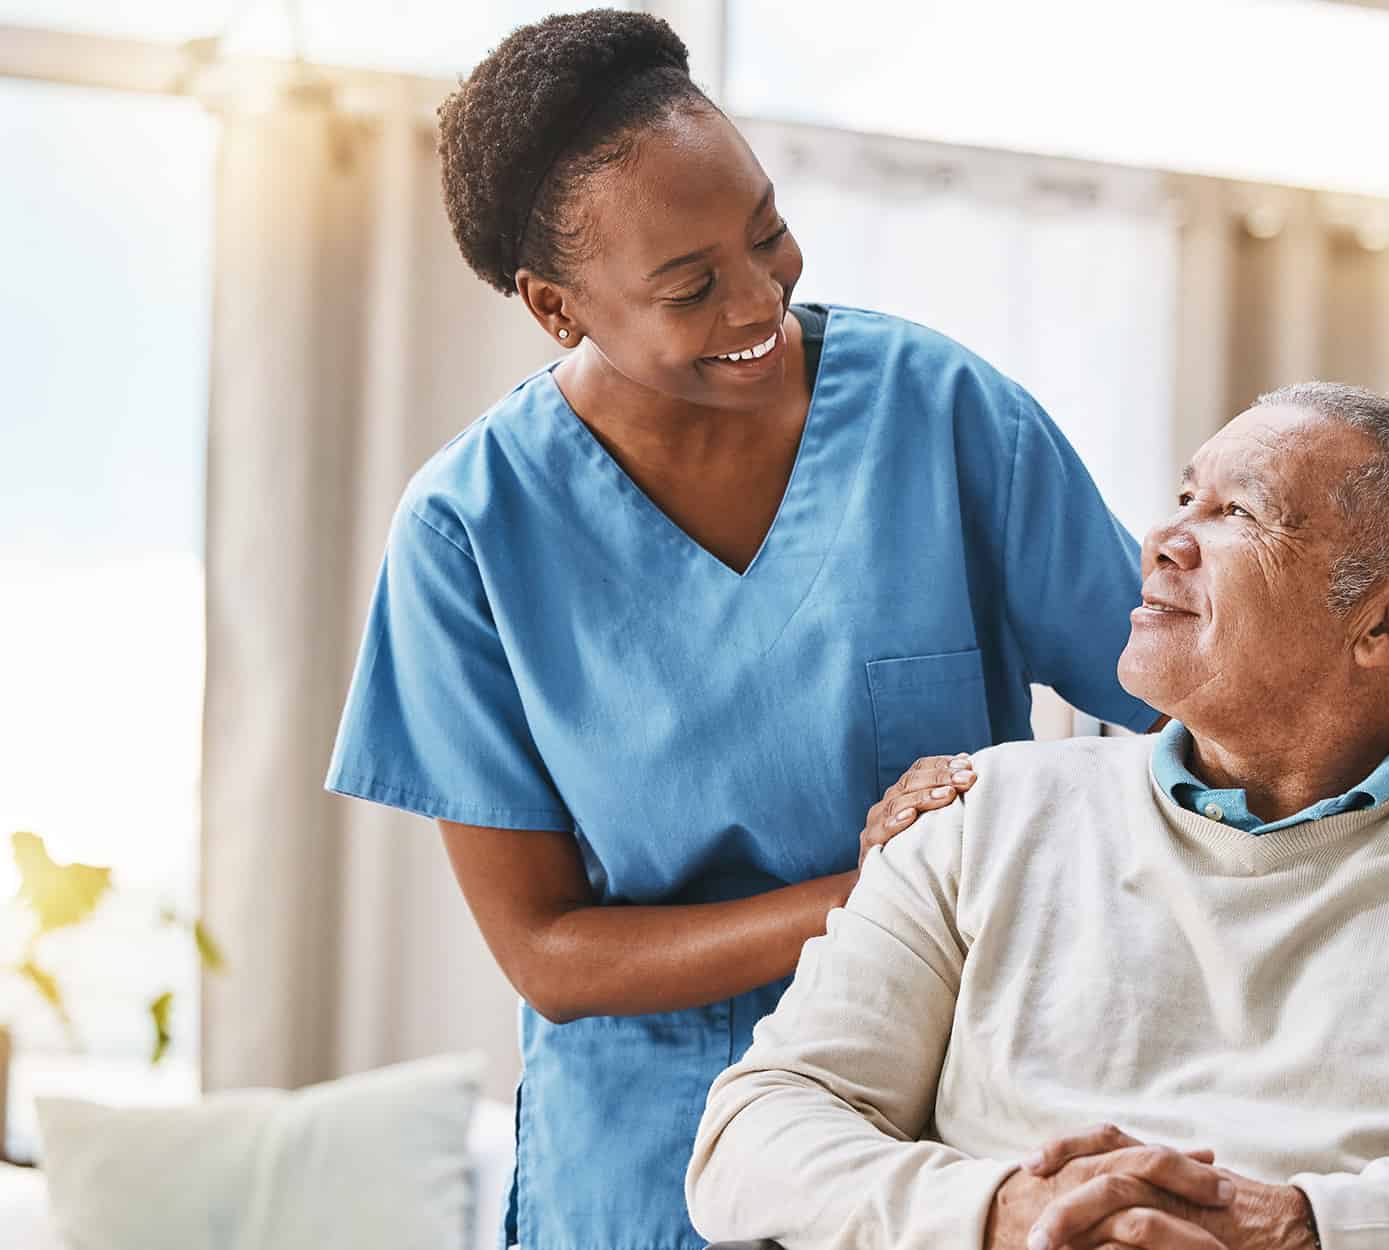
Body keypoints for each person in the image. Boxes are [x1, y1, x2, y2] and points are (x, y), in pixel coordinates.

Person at [323, 11, 1157, 1250]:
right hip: (648, 1162)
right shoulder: (468, 533)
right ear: (558, 309)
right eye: (690, 283)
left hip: (950, 1130)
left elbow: (1183, 701)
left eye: (765, 230)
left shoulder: (942, 413)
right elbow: (547, 949)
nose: (760, 294)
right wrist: (883, 890)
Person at [687, 383, 1389, 1250]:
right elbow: (753, 1129)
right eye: (1183, 495)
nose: (1160, 537)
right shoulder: (983, 812)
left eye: (1235, 512)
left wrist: (1312, 1224)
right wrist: (1003, 1214)